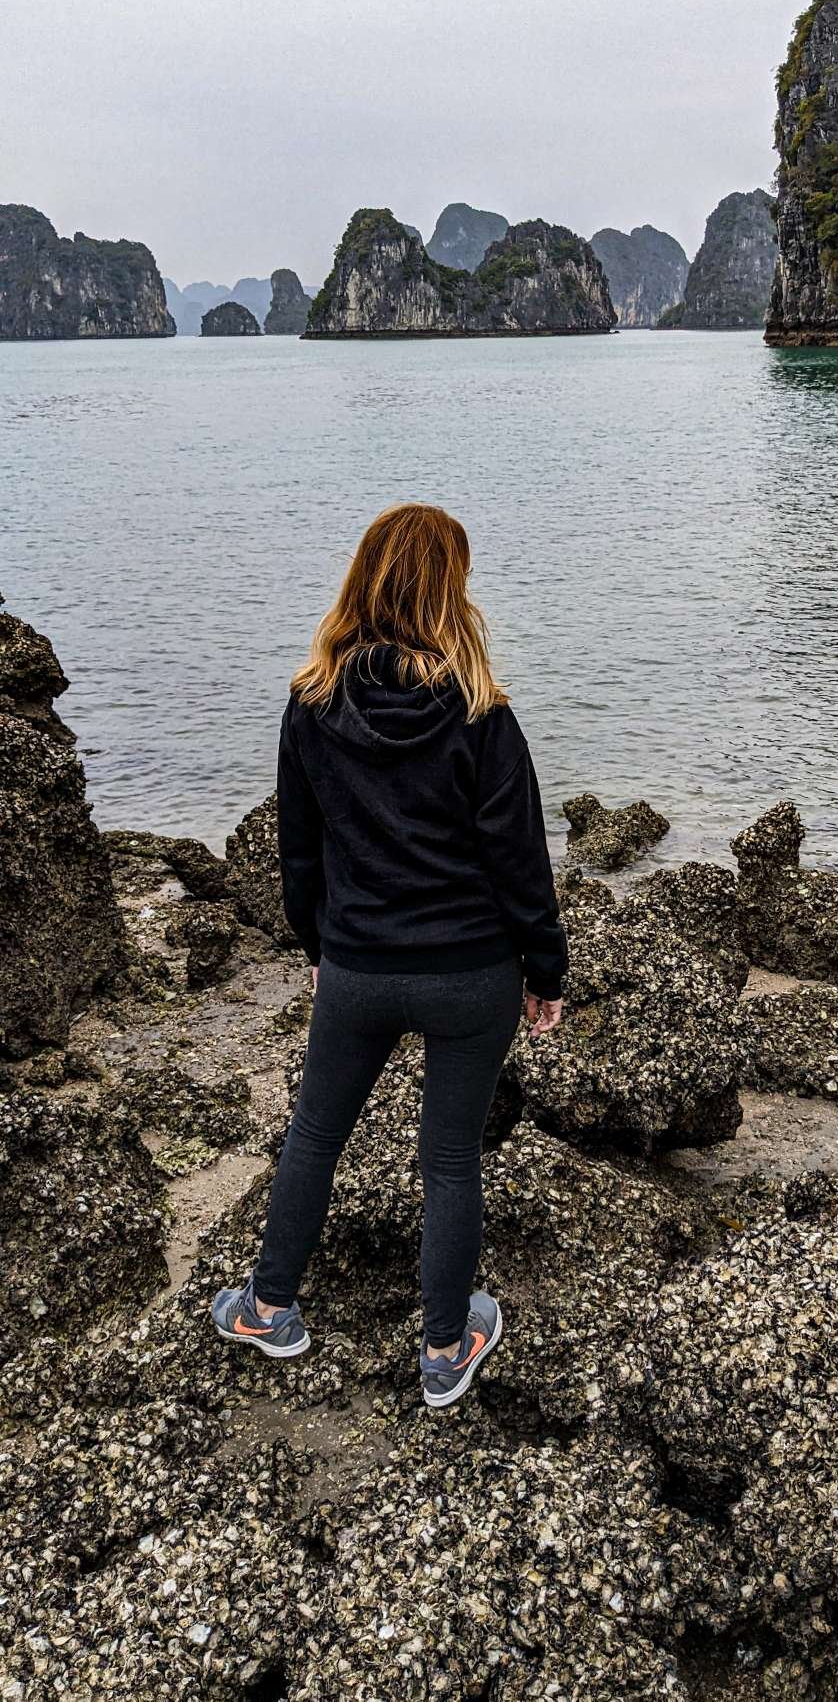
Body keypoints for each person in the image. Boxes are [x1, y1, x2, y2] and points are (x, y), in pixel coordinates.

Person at [211, 502, 566, 1407]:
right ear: (452, 590)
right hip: (471, 971)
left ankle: (268, 1307)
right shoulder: (482, 713)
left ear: (363, 577)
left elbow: (299, 847)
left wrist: (318, 944)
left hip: (360, 964)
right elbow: (520, 858)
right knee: (449, 1161)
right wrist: (546, 972)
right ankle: (446, 1351)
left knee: (315, 1136)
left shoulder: (312, 702)